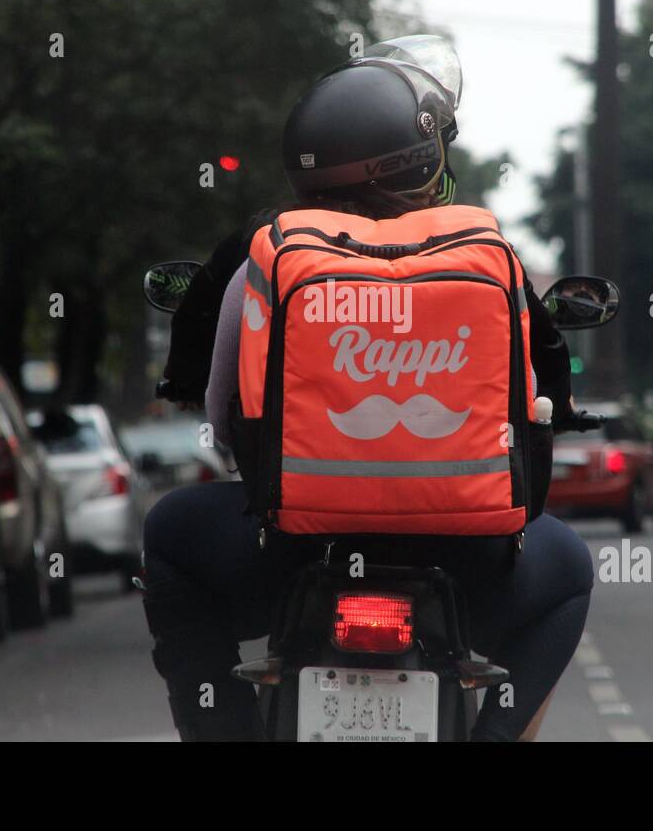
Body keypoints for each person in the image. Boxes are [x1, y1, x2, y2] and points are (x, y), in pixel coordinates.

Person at [142, 37, 594, 740]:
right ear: (421, 158)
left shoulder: (270, 250)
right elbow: (529, 398)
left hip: (288, 549)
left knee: (169, 535)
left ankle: (222, 730)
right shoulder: (486, 253)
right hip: (467, 558)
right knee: (568, 573)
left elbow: (224, 419)